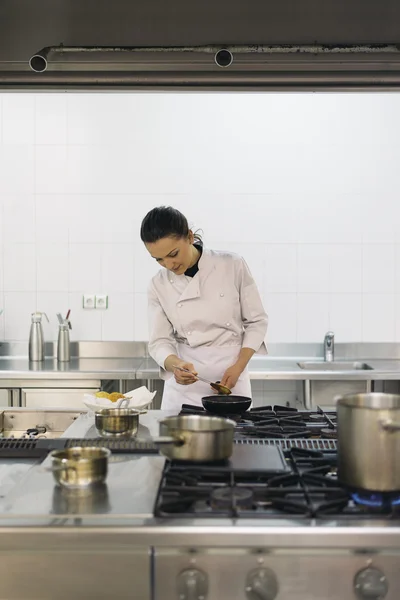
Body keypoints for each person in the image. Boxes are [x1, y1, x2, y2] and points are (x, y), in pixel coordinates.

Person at [140, 206, 268, 411]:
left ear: (190, 237)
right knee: (179, 443)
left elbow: (256, 322)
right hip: (185, 390)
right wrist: (175, 366)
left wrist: (239, 366)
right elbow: (159, 342)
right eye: (159, 259)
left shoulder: (232, 265)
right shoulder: (158, 284)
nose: (169, 264)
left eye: (173, 254)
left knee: (235, 441)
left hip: (233, 380)